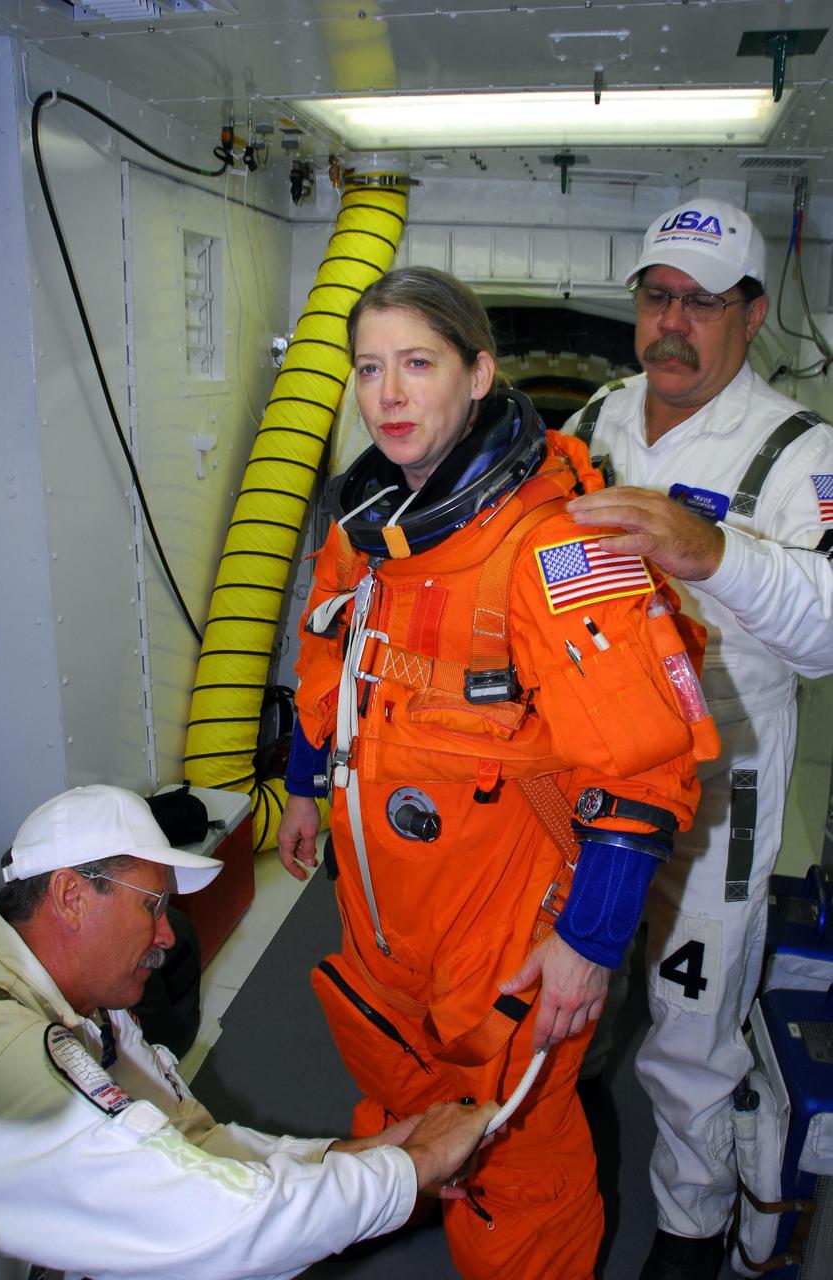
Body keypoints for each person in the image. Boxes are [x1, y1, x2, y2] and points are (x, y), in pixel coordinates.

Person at [277, 266, 713, 1280]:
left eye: (416, 364)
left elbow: (644, 766)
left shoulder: (551, 546)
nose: (388, 394)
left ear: (478, 374)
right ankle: (424, 1188)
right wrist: (303, 785)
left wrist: (588, 944)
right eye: (369, 368)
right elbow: (327, 661)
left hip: (504, 927)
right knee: (405, 1083)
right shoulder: (365, 531)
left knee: (516, 1152)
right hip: (384, 905)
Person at [562, 199, 833, 1280]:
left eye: (703, 304)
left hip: (719, 791)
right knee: (570, 987)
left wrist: (711, 549)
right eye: (657, 296)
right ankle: (561, 1176)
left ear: (753, 315)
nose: (672, 324)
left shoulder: (801, 450)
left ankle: (686, 1233)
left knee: (688, 1026)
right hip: (589, 773)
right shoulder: (598, 416)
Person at [0, 783, 498, 1280]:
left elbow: (191, 1144)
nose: (167, 935)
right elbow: (205, 1217)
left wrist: (360, 1154)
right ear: (71, 897)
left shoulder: (87, 1005)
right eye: (152, 905)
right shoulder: (3, 1050)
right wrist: (414, 1166)